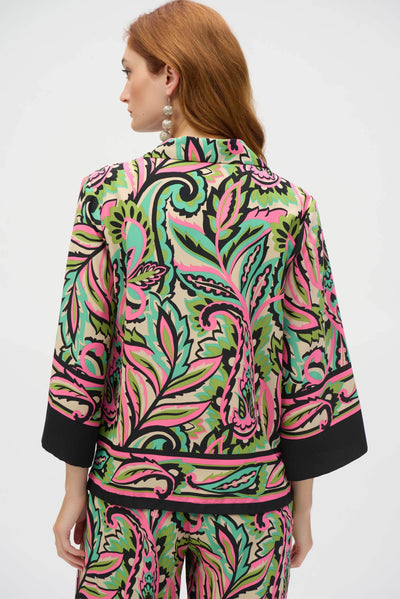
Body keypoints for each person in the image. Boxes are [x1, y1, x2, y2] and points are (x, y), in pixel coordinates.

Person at [41, 1, 368, 597]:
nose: (123, 93)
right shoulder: (288, 205)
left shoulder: (111, 194)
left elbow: (84, 349)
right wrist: (302, 506)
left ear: (169, 75)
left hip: (131, 498)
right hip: (252, 503)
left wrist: (72, 490)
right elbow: (311, 359)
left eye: (129, 72)